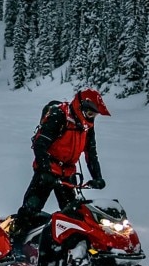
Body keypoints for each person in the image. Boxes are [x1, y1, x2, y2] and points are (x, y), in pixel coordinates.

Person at [10, 89, 110, 243]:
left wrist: (97, 177)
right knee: (31, 209)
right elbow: (40, 144)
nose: (92, 118)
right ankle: (15, 244)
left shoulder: (87, 126)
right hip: (48, 169)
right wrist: (45, 170)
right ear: (82, 107)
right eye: (91, 114)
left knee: (72, 214)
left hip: (68, 173)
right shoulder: (59, 116)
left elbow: (91, 153)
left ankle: (66, 249)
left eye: (94, 115)